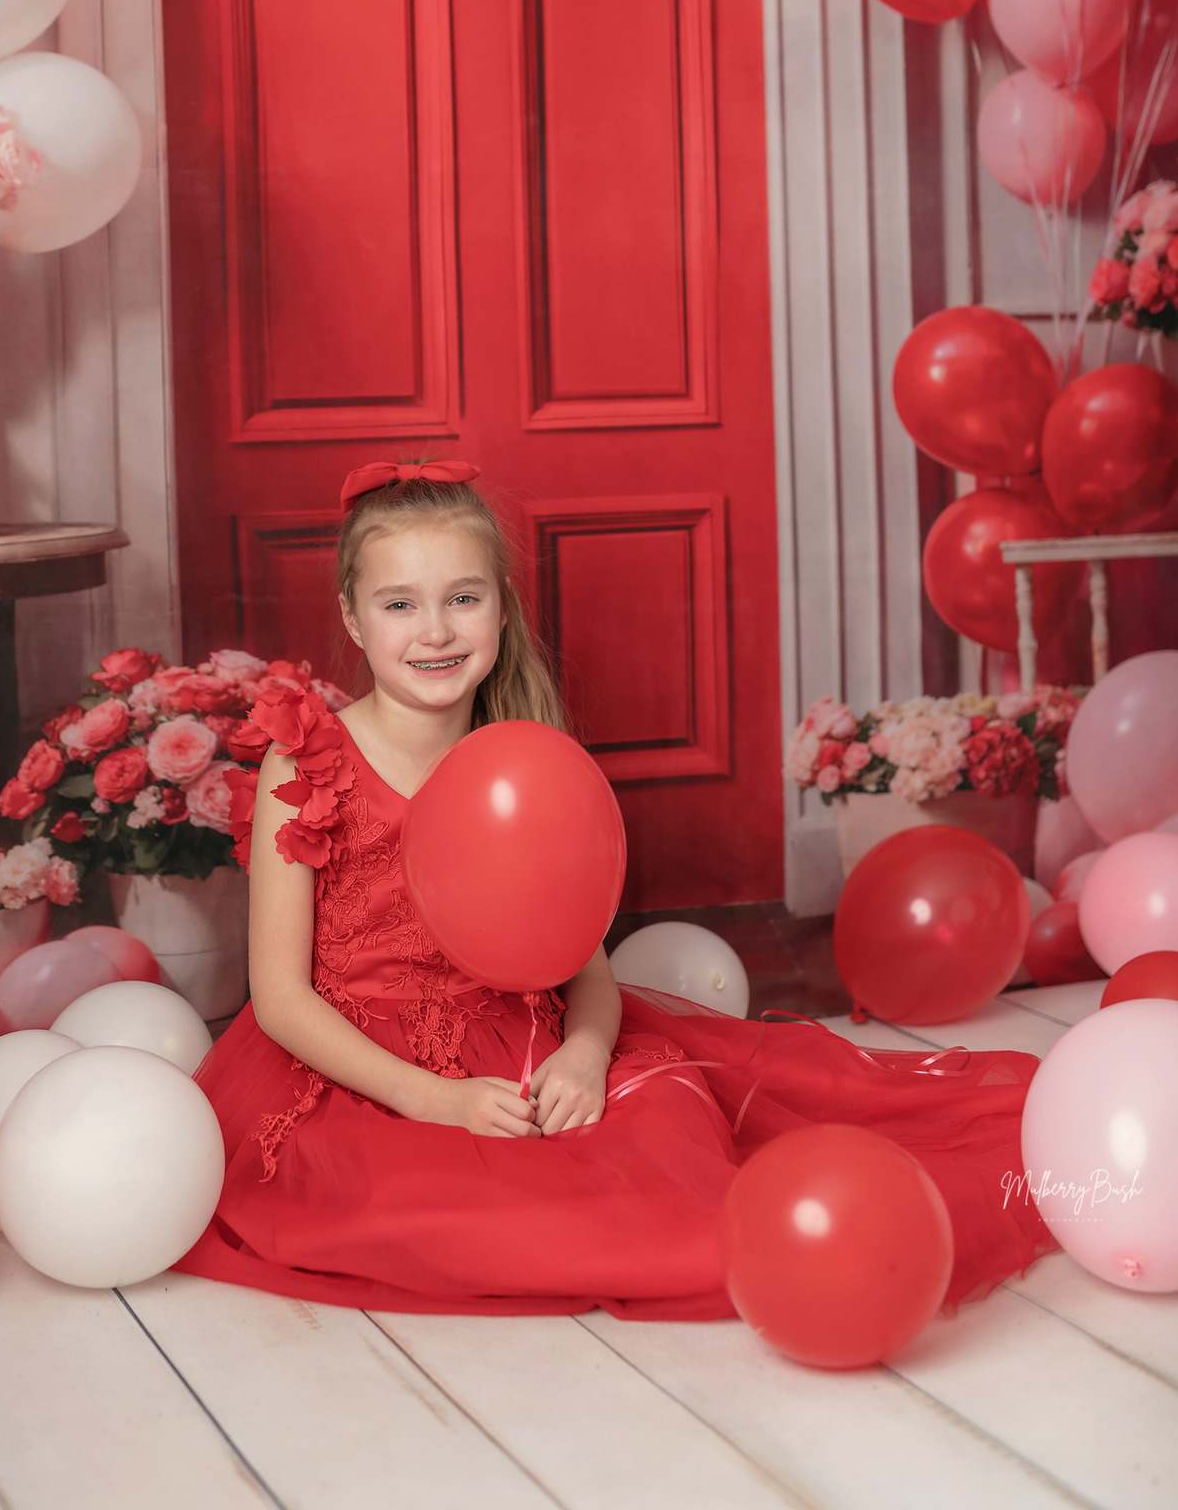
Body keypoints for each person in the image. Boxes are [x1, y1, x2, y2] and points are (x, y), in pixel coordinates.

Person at [174, 458, 1057, 1320]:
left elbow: (579, 962)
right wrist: (434, 1101)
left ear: (500, 609)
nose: (434, 631)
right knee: (457, 1214)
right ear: (354, 621)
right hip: (359, 1070)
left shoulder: (522, 760)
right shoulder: (309, 757)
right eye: (400, 604)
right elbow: (281, 996)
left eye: (463, 598)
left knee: (675, 1143)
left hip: (521, 1041)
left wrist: (586, 1054)